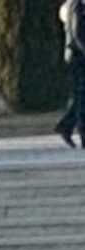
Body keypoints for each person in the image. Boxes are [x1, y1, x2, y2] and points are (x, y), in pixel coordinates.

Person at [56, 0, 85, 148]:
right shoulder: (77, 7)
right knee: (82, 95)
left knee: (81, 96)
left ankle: (66, 125)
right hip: (78, 57)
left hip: (78, 55)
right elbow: (78, 34)